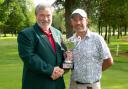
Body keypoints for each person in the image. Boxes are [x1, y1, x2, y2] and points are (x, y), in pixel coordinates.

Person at [17, 4, 66, 89]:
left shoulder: (57, 33)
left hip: (58, 84)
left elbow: (63, 54)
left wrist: (63, 67)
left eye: (48, 15)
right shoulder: (26, 34)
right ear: (36, 16)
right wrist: (51, 70)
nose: (45, 19)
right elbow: (29, 57)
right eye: (42, 15)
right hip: (37, 84)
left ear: (52, 16)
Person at [69, 9, 113, 89]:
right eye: (75, 20)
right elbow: (68, 63)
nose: (78, 23)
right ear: (72, 22)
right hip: (73, 85)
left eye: (81, 19)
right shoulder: (70, 41)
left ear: (87, 21)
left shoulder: (97, 38)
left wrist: (94, 72)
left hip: (91, 86)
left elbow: (109, 61)